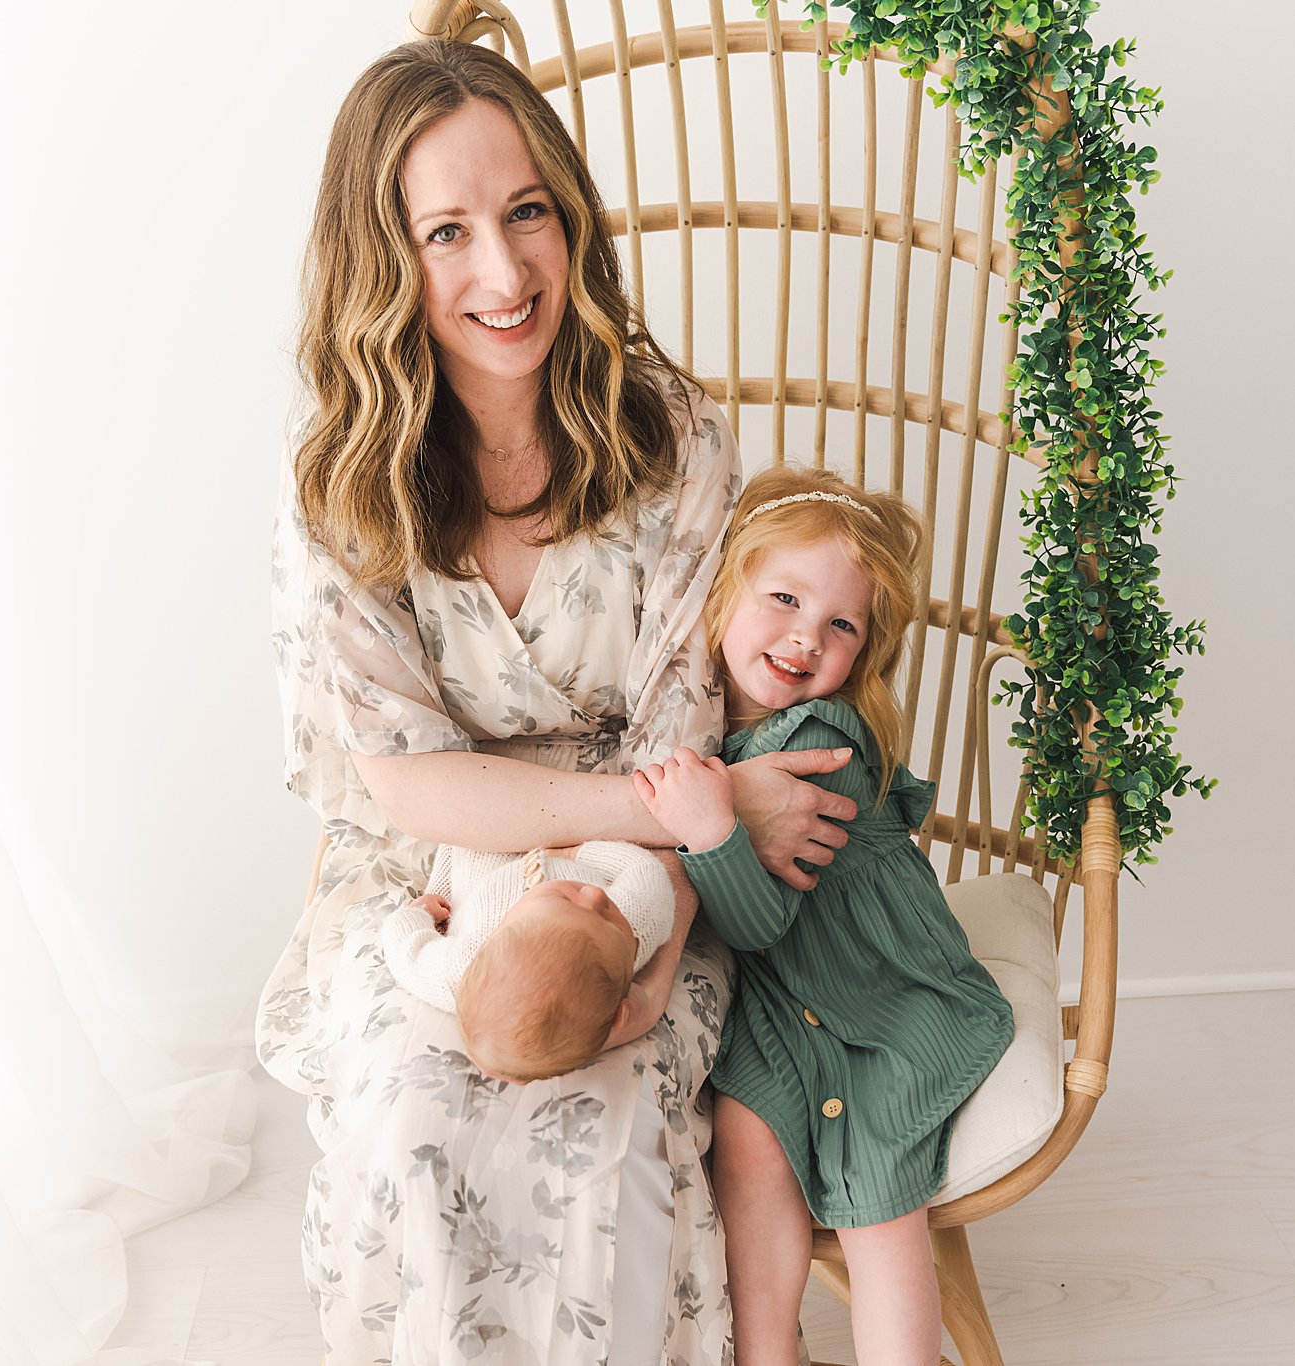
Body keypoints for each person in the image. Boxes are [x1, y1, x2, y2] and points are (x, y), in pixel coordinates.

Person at [255, 38, 861, 1366]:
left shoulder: (674, 440)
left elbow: (678, 735)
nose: (505, 273)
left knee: (604, 1122)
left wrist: (670, 879)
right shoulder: (340, 492)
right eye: (447, 232)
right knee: (419, 1120)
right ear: (384, 263)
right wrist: (702, 807)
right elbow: (410, 783)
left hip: (645, 874)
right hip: (426, 876)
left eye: (528, 212)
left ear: (570, 215)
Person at [633, 465, 1018, 1366]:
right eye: (784, 598)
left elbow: (760, 920)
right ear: (725, 594)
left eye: (840, 625)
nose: (806, 638)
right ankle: (771, 1356)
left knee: (878, 1185)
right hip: (786, 1004)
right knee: (749, 1142)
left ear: (863, 656)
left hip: (880, 999)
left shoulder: (816, 743)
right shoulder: (699, 722)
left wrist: (711, 827)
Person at [380, 840, 675, 1080]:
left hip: (489, 852)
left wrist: (419, 913)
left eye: (564, 901)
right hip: (576, 838)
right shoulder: (634, 933)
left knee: (471, 846)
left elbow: (405, 947)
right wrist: (577, 852)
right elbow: (645, 869)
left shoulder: (462, 969)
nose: (595, 896)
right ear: (621, 1014)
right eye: (609, 915)